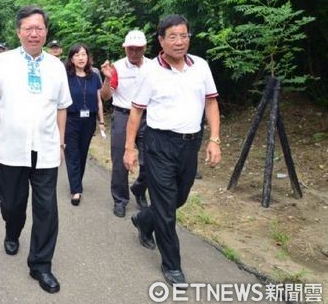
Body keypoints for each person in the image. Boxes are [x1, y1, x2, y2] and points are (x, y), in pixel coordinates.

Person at [0, 6, 72, 294]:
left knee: (47, 209)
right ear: (19, 31)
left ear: (46, 31)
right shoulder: (3, 62)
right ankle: (12, 229)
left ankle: (41, 265)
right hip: (10, 150)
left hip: (44, 150)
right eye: (28, 28)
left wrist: (60, 142)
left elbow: (61, 108)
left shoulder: (56, 66)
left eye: (39, 28)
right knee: (12, 204)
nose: (34, 33)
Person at [123, 15, 221, 286]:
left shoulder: (200, 66)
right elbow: (136, 111)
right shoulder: (149, 71)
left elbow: (211, 104)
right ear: (161, 41)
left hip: (191, 143)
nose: (179, 42)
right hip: (158, 144)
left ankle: (144, 219)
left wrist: (215, 139)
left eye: (184, 35)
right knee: (166, 209)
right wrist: (129, 148)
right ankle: (172, 265)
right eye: (173, 37)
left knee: (179, 199)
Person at [100, 30, 150, 218]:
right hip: (123, 115)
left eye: (138, 49)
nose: (134, 52)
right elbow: (105, 96)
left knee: (151, 160)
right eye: (130, 49)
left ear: (144, 48)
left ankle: (139, 188)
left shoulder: (154, 67)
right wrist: (106, 77)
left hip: (147, 117)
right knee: (120, 161)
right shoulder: (117, 67)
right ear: (125, 48)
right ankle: (120, 200)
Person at [63, 44, 103, 206]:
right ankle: (76, 190)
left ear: (88, 57)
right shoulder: (66, 76)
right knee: (72, 154)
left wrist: (101, 121)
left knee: (82, 153)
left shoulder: (94, 76)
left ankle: (76, 182)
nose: (81, 58)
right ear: (71, 58)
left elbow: (99, 100)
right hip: (71, 120)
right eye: (77, 55)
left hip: (89, 120)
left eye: (84, 54)